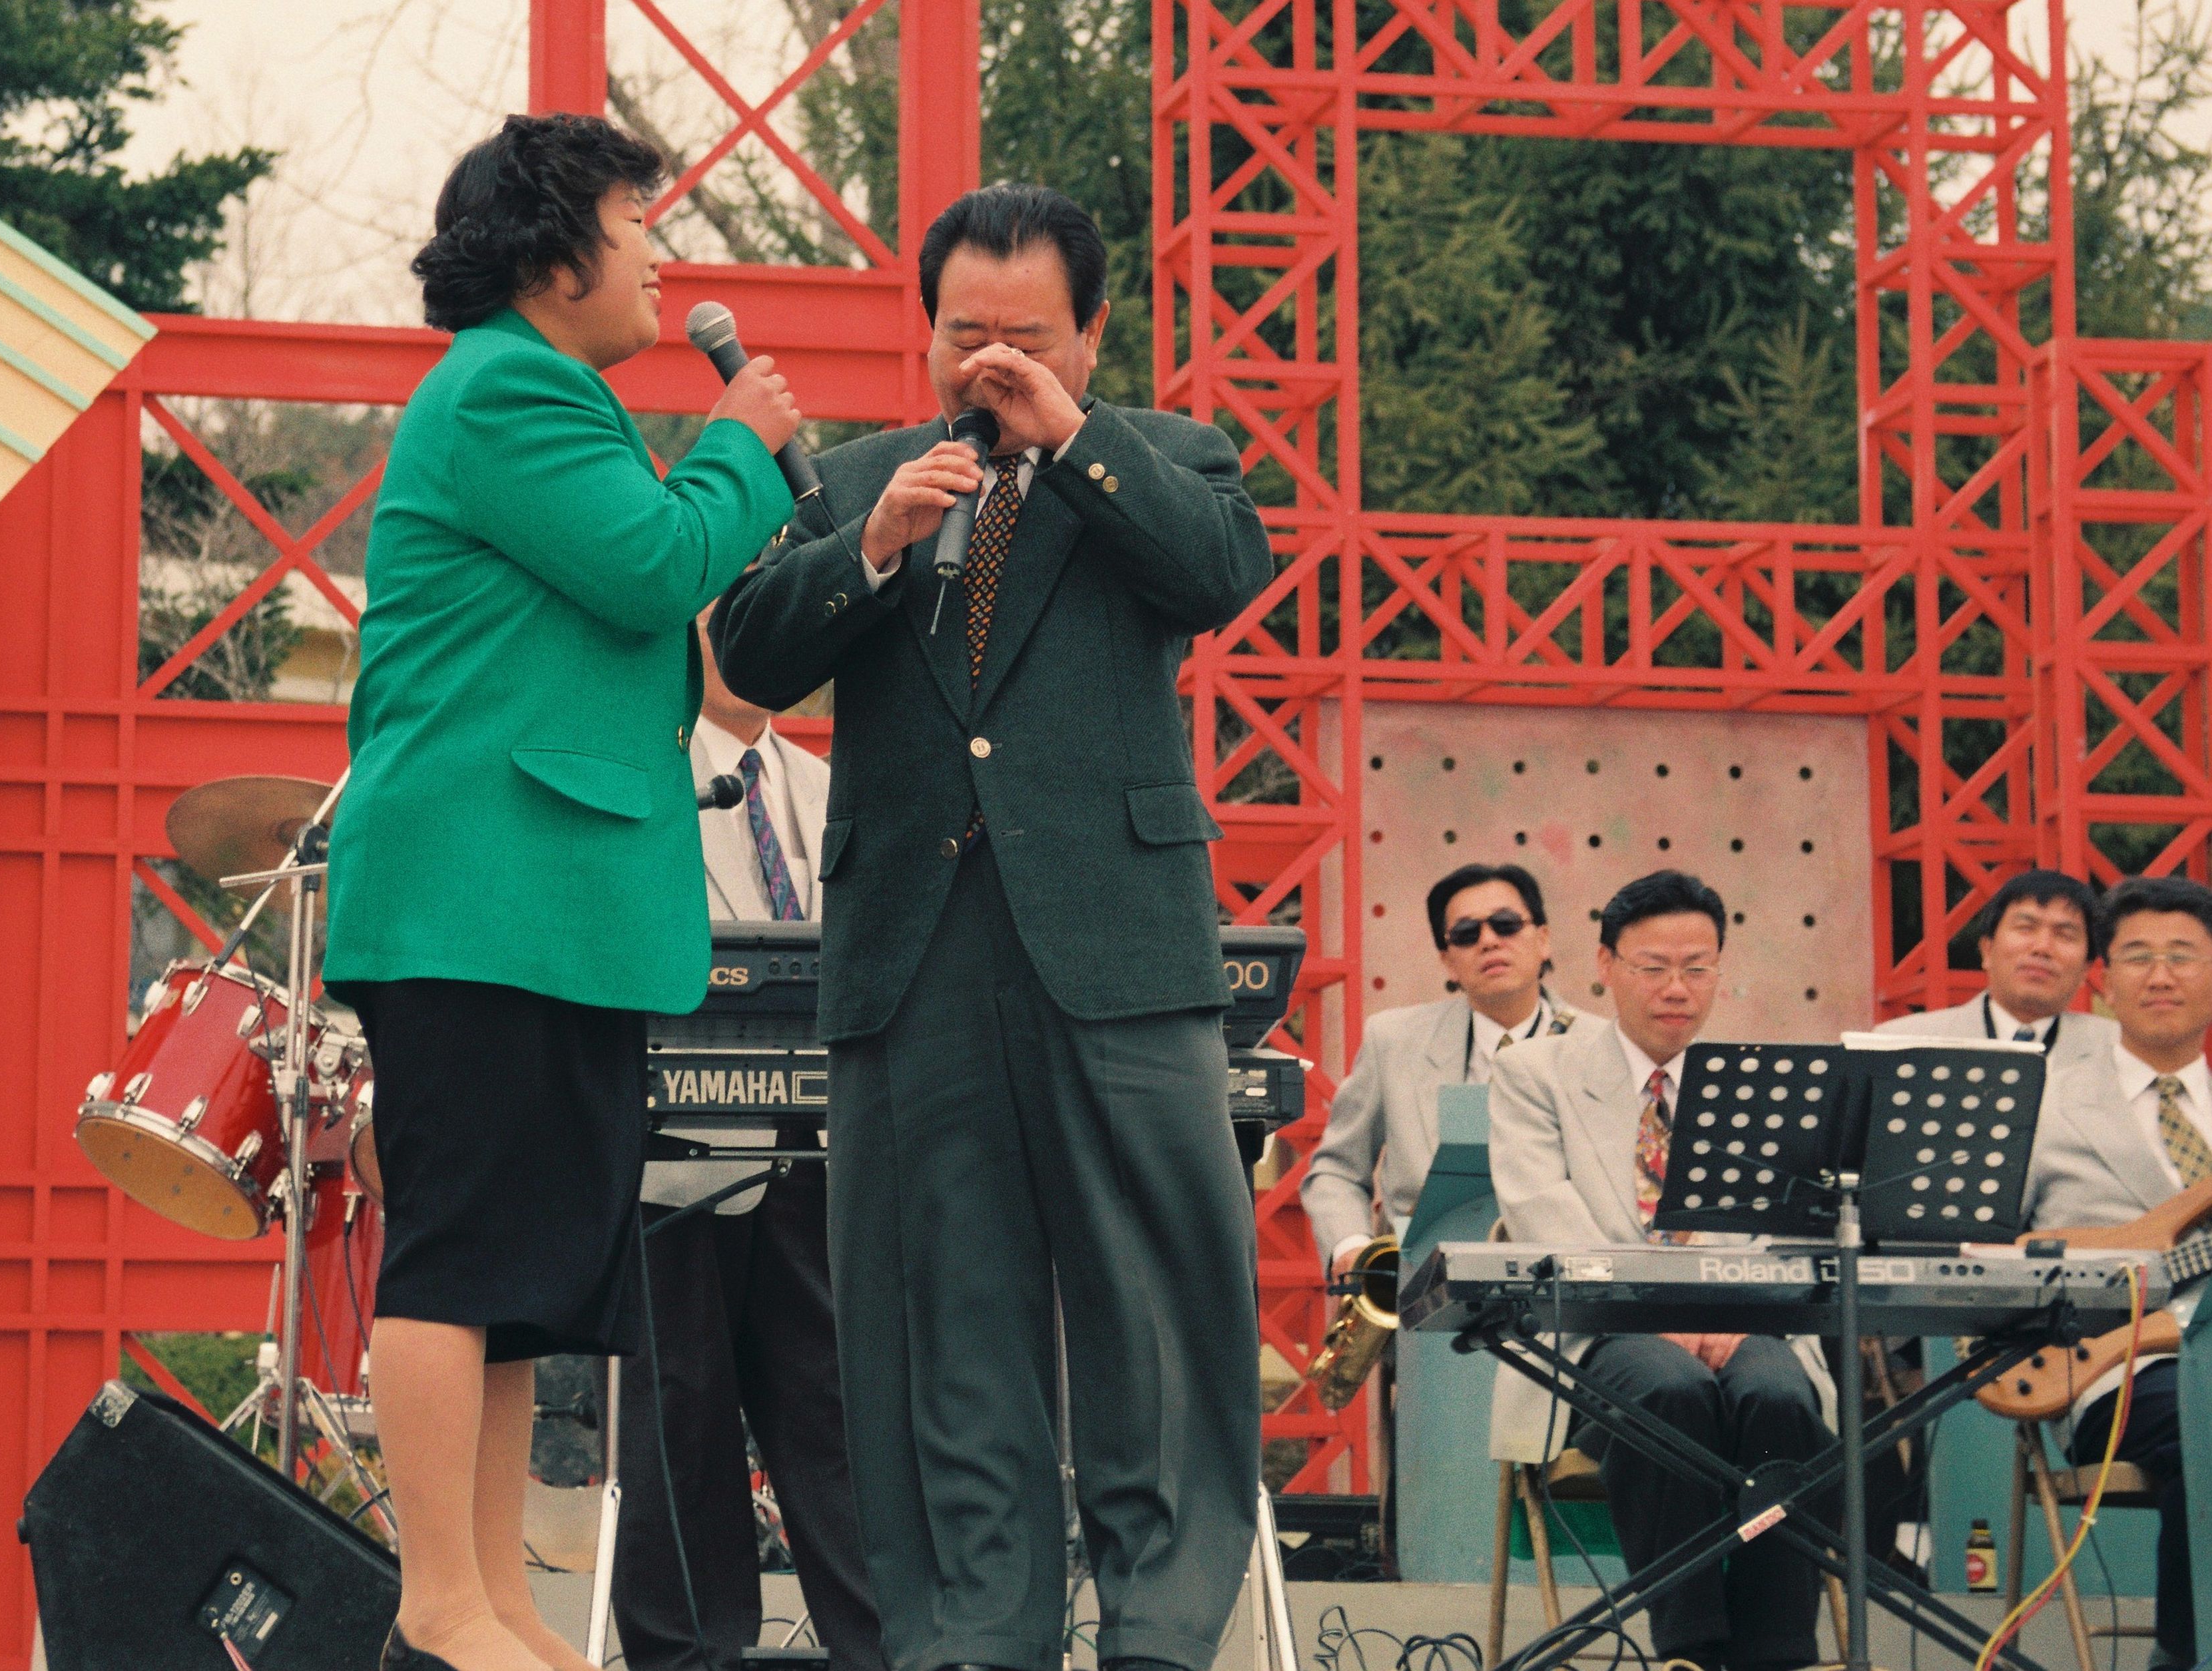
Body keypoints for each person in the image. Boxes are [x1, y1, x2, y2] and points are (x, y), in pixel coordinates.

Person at [712, 182, 1275, 1671]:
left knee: (1154, 1302)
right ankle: (976, 1631)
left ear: (1092, 332)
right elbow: (749, 653)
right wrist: (870, 547)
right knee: (939, 1311)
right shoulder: (856, 477)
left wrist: (1070, 441)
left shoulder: (1165, 455)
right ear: (925, 331)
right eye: (966, 334)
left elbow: (1220, 574)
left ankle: (1159, 1630)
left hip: (1119, 943)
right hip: (912, 950)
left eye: (1026, 336)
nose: (993, 363)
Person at [324, 112, 802, 1671]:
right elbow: (657, 562)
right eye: (635, 218)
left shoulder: (552, 398)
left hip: (545, 908)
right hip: (482, 899)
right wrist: (741, 439)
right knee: (460, 1252)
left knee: (521, 1284)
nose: (660, 250)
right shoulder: (509, 388)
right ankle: (436, 1598)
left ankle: (499, 1596)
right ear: (549, 256)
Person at [609, 616, 882, 1671]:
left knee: (841, 1415)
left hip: (824, 1153)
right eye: (732, 612)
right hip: (675, 1151)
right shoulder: (644, 775)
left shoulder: (829, 785)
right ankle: (692, 1653)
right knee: (679, 1419)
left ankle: (886, 1644)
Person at [1487, 870, 1835, 1671]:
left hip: (1739, 1322)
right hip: (1600, 1331)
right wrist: (1658, 1312)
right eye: (1652, 968)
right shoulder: (1535, 1074)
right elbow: (1544, 1218)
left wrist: (1731, 1315)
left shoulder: (1762, 1085)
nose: (1676, 989)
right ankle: (1691, 1650)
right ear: (1604, 965)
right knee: (1668, 1391)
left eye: (1696, 968)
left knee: (1780, 1397)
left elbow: (1787, 1233)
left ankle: (1775, 1652)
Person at [2016, 873, 2207, 1670]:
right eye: (2137, 956)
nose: (2160, 976)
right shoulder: (2041, 1105)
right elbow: (1981, 1255)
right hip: (2115, 1370)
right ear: (2100, 981)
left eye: (2182, 956)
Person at [1301, 861, 1609, 1278]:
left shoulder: (1605, 1048)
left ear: (1543, 940)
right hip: (1422, 1287)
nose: (1489, 941)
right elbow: (1337, 1169)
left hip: (1570, 1287)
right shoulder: (1392, 1041)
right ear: (1448, 961)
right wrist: (1351, 1247)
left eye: (1506, 925)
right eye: (1466, 934)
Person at [1875, 869, 2115, 1053]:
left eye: (2065, 935)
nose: (2042, 948)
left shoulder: (2119, 1051)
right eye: (2026, 928)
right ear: (1987, 951)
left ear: (2086, 969)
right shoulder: (1900, 1044)